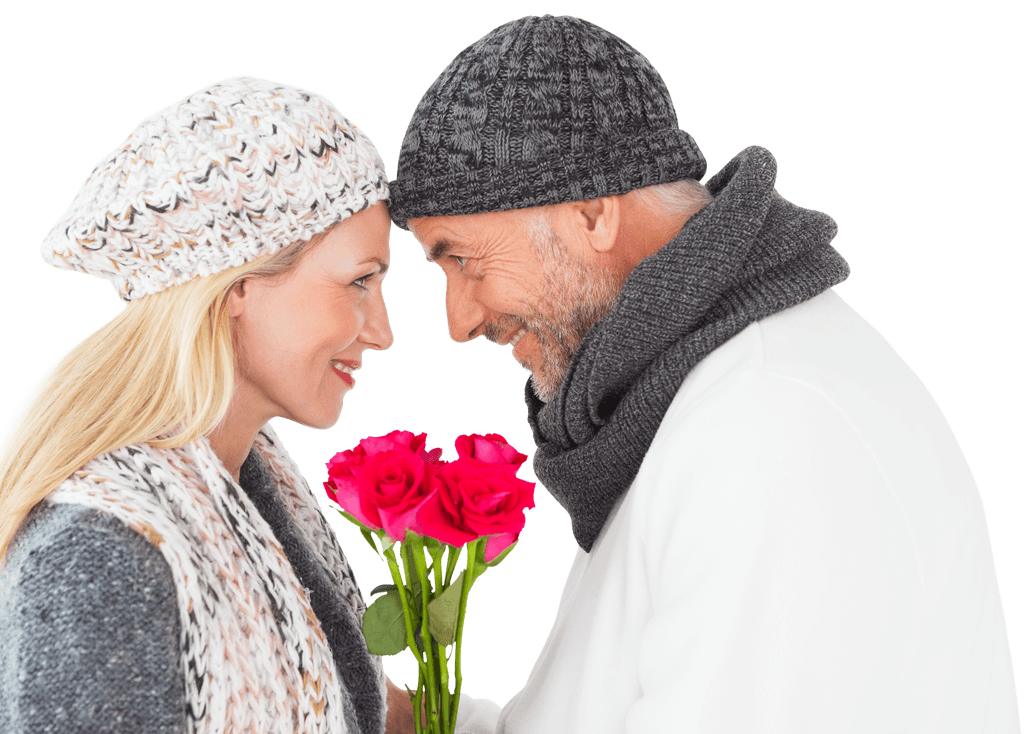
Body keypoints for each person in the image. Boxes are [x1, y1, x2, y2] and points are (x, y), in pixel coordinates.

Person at [388, 15, 1022, 733]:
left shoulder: (769, 430)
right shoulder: (694, 402)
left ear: (593, 213)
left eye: (463, 261)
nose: (459, 320)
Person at [0, 75, 496, 734]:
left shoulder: (254, 493)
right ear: (239, 285)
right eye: (359, 282)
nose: (382, 332)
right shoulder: (100, 559)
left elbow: (357, 713)